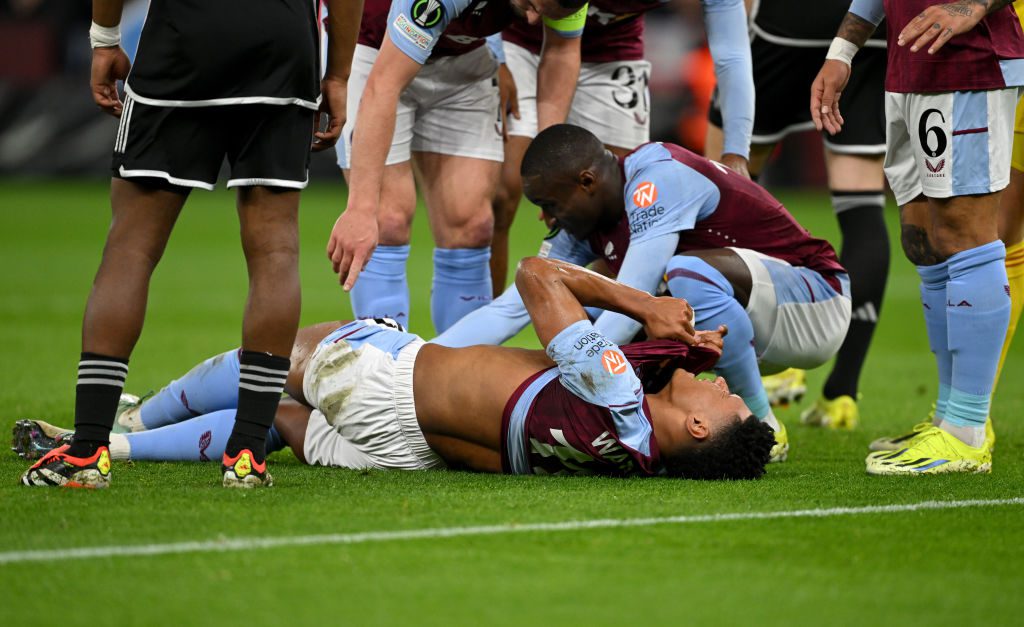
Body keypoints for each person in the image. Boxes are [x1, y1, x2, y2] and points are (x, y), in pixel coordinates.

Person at [14, 258, 775, 481]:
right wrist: (675, 348)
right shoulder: (639, 448)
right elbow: (621, 378)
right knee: (280, 423)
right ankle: (116, 450)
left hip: (388, 383)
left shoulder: (615, 391)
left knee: (266, 366)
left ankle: (117, 424)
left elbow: (540, 276)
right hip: (415, 453)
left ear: (701, 425)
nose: (726, 383)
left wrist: (643, 304)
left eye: (727, 399)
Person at [20, 0, 364, 489]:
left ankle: (88, 451)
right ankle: (247, 454)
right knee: (276, 253)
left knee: (130, 249)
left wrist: (104, 39)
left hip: (184, 38)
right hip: (283, 48)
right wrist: (337, 74)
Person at [434, 124, 852, 463]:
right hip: (740, 327)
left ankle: (761, 424)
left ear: (586, 182)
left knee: (673, 279)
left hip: (816, 301)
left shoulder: (658, 178)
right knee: (604, 315)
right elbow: (510, 309)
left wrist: (567, 382)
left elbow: (634, 301)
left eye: (548, 203)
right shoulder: (582, 222)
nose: (546, 218)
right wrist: (418, 358)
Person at [811, 0, 1022, 474]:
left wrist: (974, 6)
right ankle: (947, 418)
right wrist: (842, 50)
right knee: (923, 240)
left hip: (969, 63)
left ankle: (967, 431)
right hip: (908, 67)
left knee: (964, 234)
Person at [328, 0, 586, 333]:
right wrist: (360, 208)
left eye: (546, 12)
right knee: (386, 219)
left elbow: (561, 53)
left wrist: (556, 172)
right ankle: (384, 365)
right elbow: (384, 87)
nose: (533, 19)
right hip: (373, 49)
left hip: (463, 61)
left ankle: (459, 371)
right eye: (530, 4)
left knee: (473, 225)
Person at [705, 0, 890, 430]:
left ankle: (752, 375)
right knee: (862, 207)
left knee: (717, 189)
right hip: (867, 24)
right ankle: (841, 392)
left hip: (783, 21)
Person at [487, 0, 755, 295]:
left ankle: (602, 335)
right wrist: (493, 50)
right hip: (522, 39)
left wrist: (736, 153)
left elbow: (732, 55)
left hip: (611, 52)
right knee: (500, 194)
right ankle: (476, 330)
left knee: (621, 210)